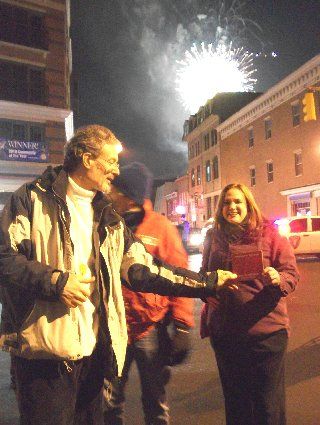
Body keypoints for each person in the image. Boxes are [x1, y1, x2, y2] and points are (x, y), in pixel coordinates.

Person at [0, 125, 237, 425]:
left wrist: (209, 282)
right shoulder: (31, 200)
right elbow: (5, 258)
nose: (115, 169)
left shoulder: (109, 218)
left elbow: (148, 270)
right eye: (110, 161)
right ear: (87, 159)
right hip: (44, 360)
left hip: (93, 356)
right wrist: (55, 282)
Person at [200, 183, 299, 425]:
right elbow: (203, 274)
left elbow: (291, 273)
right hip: (226, 333)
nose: (231, 207)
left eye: (237, 202)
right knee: (236, 404)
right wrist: (206, 290)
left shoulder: (270, 234)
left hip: (266, 334)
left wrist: (278, 278)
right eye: (226, 202)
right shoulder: (214, 237)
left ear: (248, 205)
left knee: (267, 405)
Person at [104, 162, 194, 425]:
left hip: (149, 329)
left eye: (115, 189)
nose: (109, 192)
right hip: (113, 329)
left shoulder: (161, 228)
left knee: (155, 401)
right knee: (109, 403)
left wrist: (183, 326)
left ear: (128, 195)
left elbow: (179, 276)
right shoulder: (106, 223)